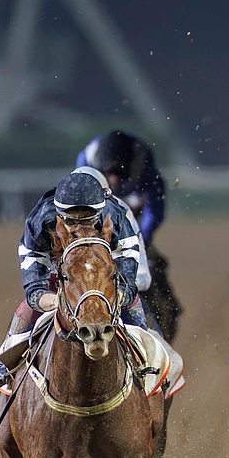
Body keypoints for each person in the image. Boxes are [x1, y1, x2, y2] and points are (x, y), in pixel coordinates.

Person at [0, 169, 147, 390]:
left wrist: (120, 295)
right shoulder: (40, 220)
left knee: (131, 301)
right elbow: (34, 287)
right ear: (59, 214)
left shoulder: (115, 216)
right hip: (62, 274)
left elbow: (128, 264)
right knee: (25, 309)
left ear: (100, 211)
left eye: (87, 218)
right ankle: (3, 365)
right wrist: (53, 300)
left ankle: (147, 359)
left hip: (101, 272)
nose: (79, 225)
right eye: (71, 220)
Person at [77, 130, 182, 336]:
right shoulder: (86, 161)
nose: (114, 177)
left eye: (119, 172)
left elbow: (155, 209)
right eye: (109, 172)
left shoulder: (144, 164)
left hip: (135, 219)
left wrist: (140, 239)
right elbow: (79, 206)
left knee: (154, 265)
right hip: (96, 223)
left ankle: (166, 313)